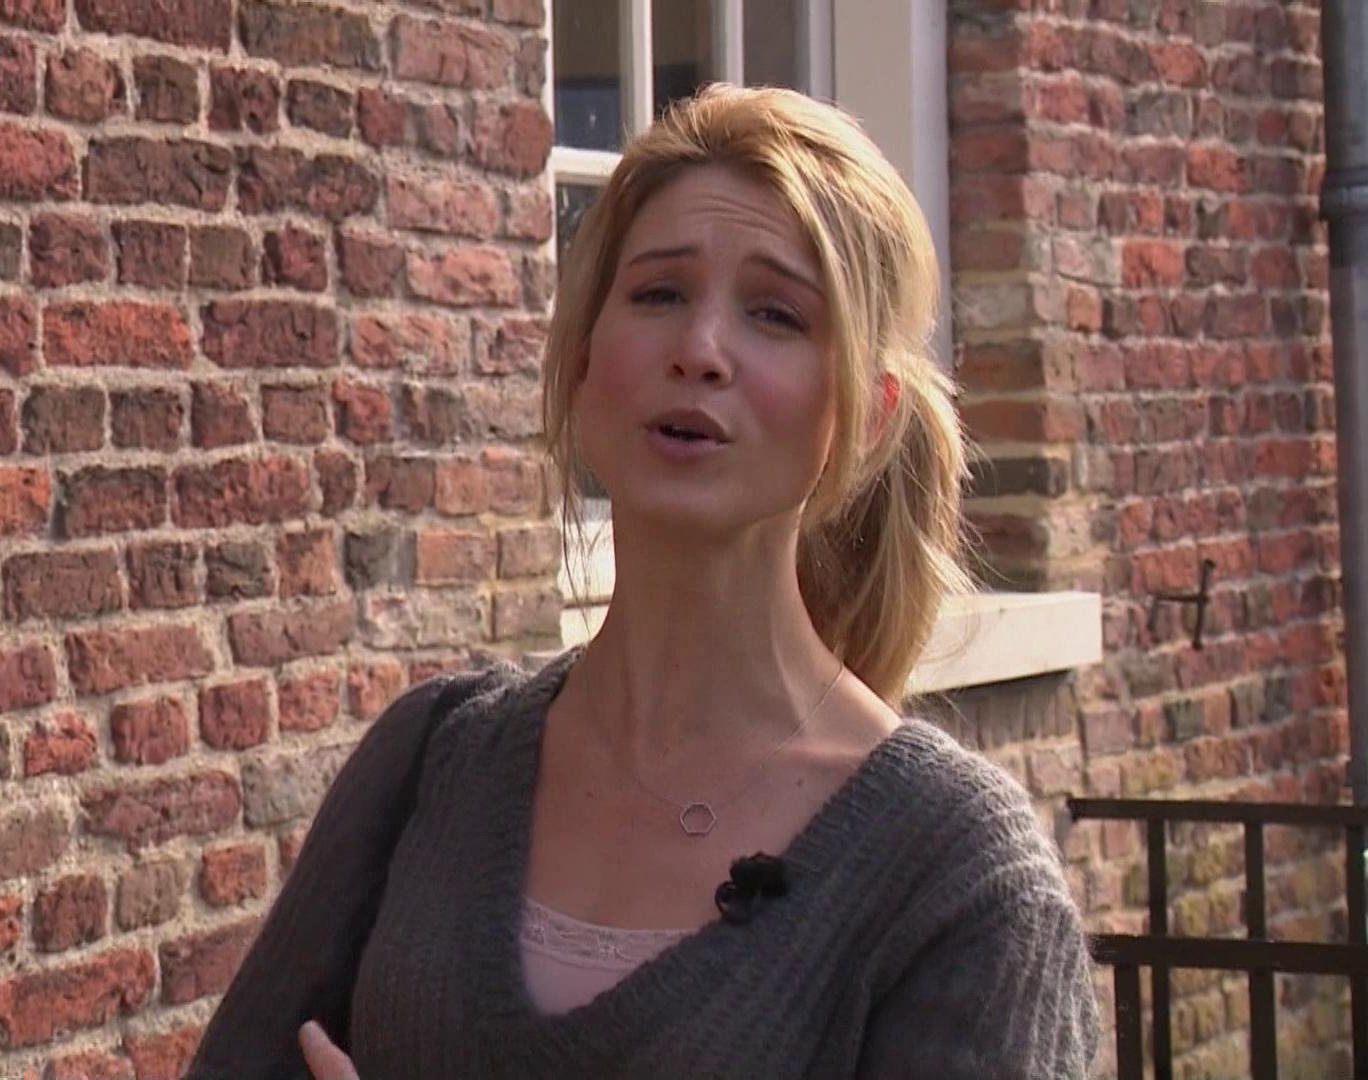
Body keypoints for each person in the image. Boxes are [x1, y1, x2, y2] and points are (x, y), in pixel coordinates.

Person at [186, 83, 1101, 1080]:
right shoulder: (433, 761)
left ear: (870, 417)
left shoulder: (957, 880)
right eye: (660, 294)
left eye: (776, 314)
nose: (699, 351)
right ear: (583, 359)